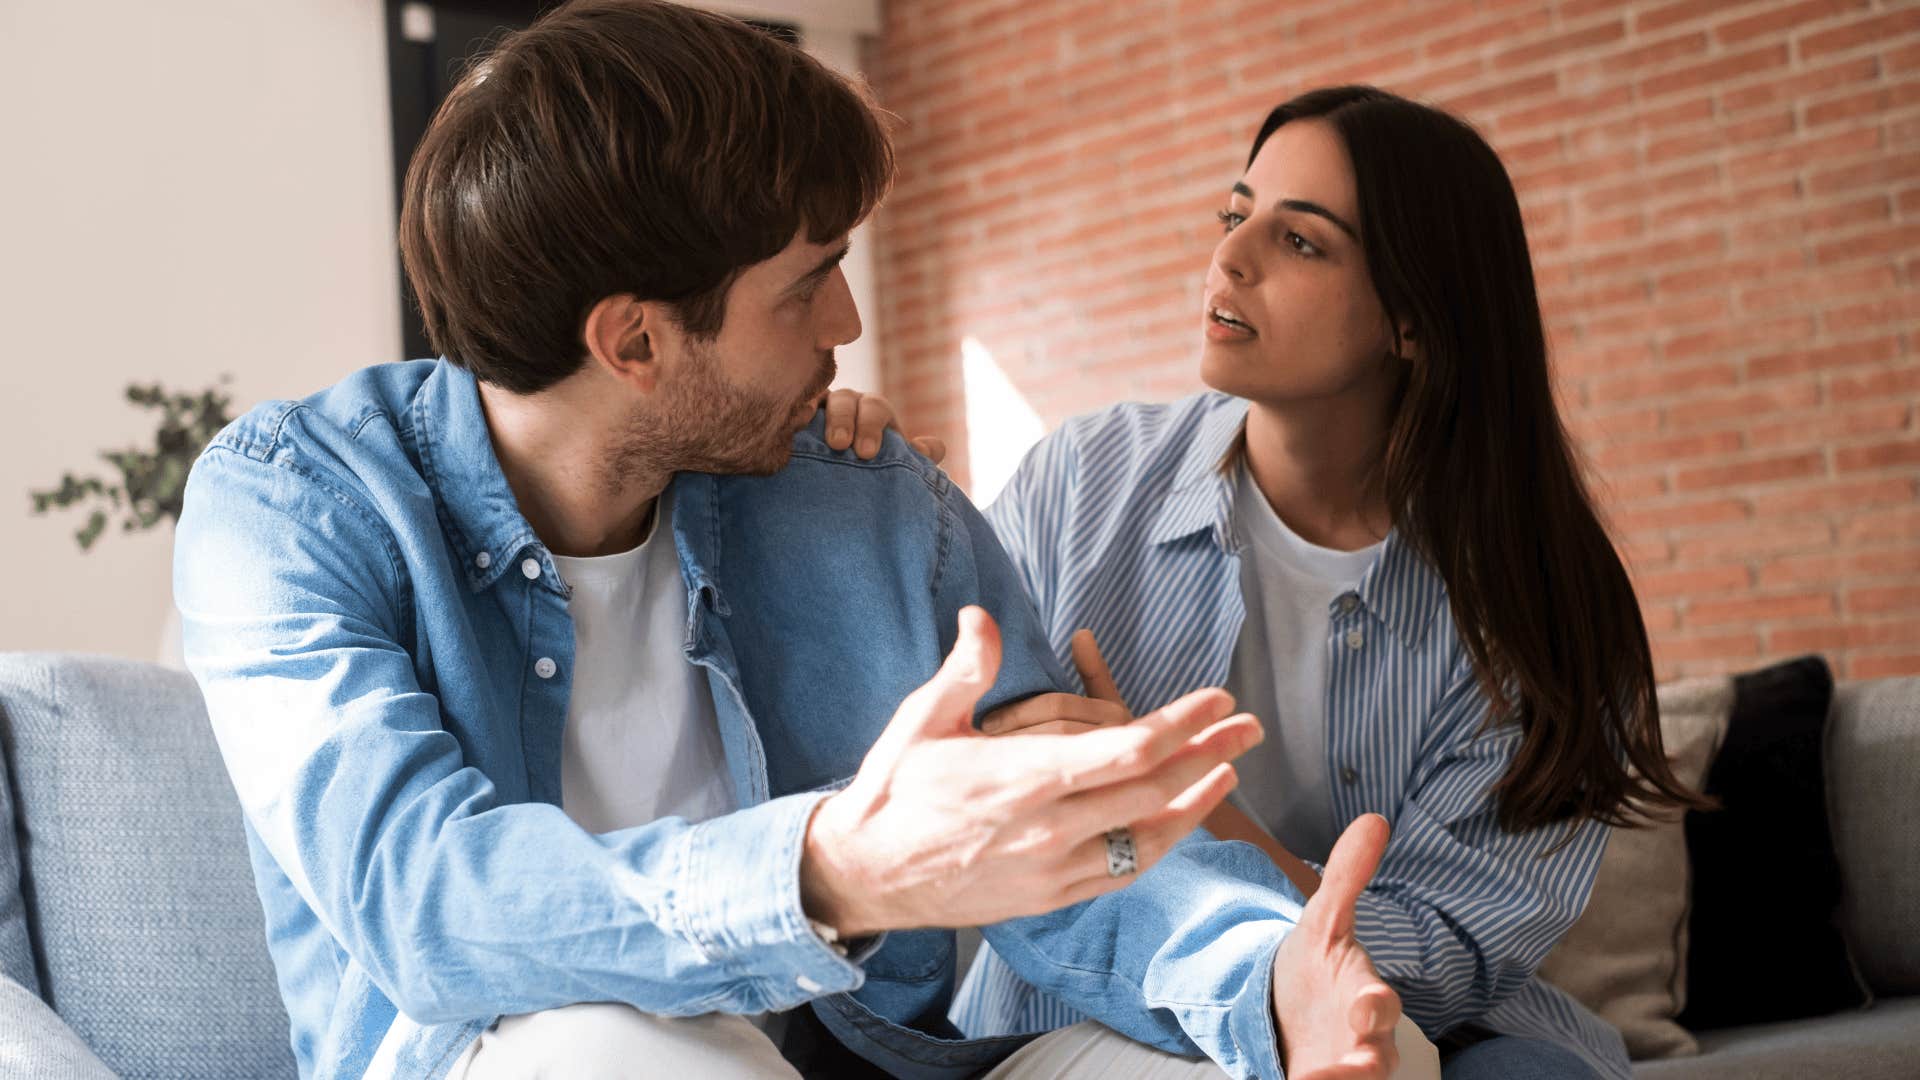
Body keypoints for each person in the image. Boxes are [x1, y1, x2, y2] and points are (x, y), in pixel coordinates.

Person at [173, 9, 1410, 1079]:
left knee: (1351, 1048)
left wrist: (1267, 977)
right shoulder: (295, 506)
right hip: (516, 1054)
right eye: (807, 282)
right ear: (636, 345)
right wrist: (841, 868)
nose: (851, 320)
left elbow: (1071, 844)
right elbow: (424, 902)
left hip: (862, 1058)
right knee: (625, 1050)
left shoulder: (858, 492)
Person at [940, 85, 1711, 1080]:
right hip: (1087, 1007)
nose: (1230, 255)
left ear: (1414, 323)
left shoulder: (1539, 607)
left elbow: (1437, 964)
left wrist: (1184, 805)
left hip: (1417, 1024)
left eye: (1301, 242)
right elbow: (956, 790)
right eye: (1236, 213)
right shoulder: (1082, 484)